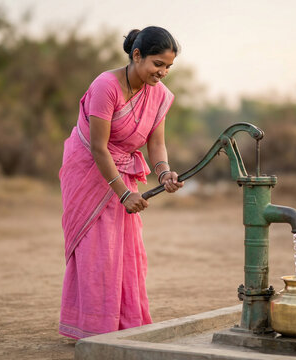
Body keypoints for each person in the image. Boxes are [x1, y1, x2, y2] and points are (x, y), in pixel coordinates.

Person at [58, 26, 184, 339]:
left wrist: (165, 172)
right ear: (137, 55)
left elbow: (156, 144)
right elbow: (99, 147)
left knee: (127, 252)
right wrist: (124, 193)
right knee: (97, 252)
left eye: (168, 66)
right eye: (158, 64)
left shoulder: (159, 95)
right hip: (89, 168)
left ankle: (124, 328)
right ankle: (94, 329)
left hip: (123, 173)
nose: (163, 72)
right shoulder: (106, 86)